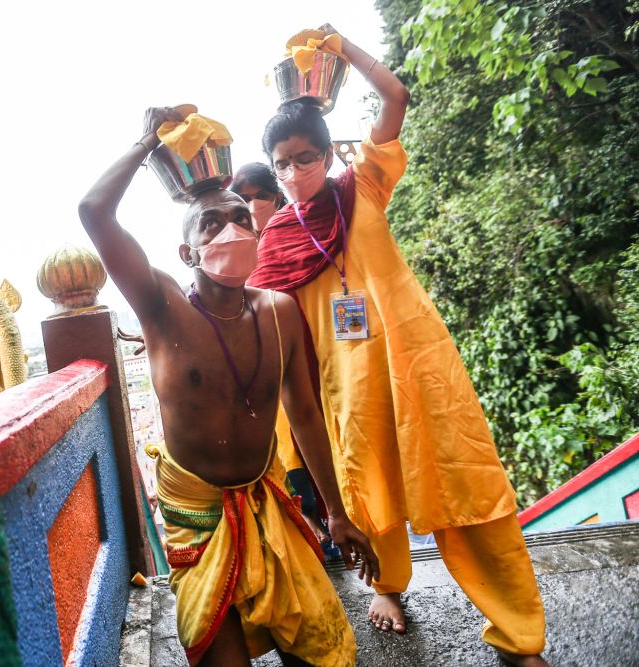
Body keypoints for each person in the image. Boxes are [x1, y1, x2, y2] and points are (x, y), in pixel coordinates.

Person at [248, 25, 549, 667]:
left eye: (305, 157)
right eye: (282, 163)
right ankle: (386, 586)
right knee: (368, 492)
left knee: (465, 490)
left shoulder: (362, 188)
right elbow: (259, 320)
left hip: (415, 365)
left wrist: (344, 50)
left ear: (329, 155)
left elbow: (395, 98)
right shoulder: (274, 241)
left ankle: (518, 633)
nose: (294, 171)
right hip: (346, 387)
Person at [79, 106, 380, 667]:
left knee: (324, 649)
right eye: (211, 224)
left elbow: (307, 415)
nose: (231, 230)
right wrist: (148, 141)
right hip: (199, 516)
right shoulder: (162, 307)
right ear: (186, 253)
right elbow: (94, 212)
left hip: (268, 501)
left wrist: (336, 512)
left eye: (242, 218)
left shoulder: (280, 311)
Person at [232, 166, 331, 549]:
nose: (253, 204)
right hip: (267, 358)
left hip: (317, 344)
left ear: (277, 197)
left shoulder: (301, 230)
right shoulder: (234, 248)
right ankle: (306, 515)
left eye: (260, 194)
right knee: (284, 438)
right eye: (243, 197)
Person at [230, 162, 287, 236]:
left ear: (278, 199)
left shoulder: (295, 231)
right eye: (245, 199)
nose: (253, 206)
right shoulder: (234, 239)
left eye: (261, 196)